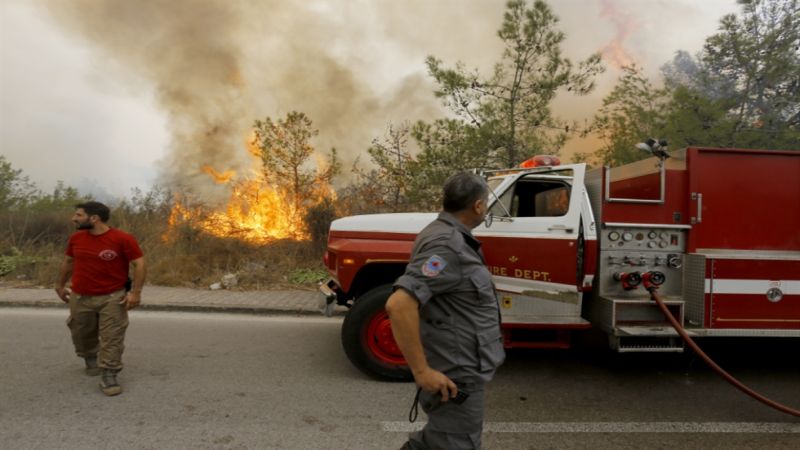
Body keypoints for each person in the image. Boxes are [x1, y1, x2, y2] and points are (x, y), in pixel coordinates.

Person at [386, 172, 505, 450]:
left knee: (438, 442)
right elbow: (399, 304)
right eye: (485, 204)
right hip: (455, 374)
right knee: (455, 444)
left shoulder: (443, 234)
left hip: (457, 364)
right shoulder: (447, 245)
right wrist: (422, 371)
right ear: (478, 206)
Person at [55, 201, 146, 396]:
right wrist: (59, 285)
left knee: (112, 336)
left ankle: (109, 373)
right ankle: (90, 357)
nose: (74, 218)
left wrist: (136, 293)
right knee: (81, 332)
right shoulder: (77, 238)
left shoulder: (122, 238)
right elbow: (69, 261)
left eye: (78, 215)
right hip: (80, 296)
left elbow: (139, 264)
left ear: (94, 218)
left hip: (112, 297)